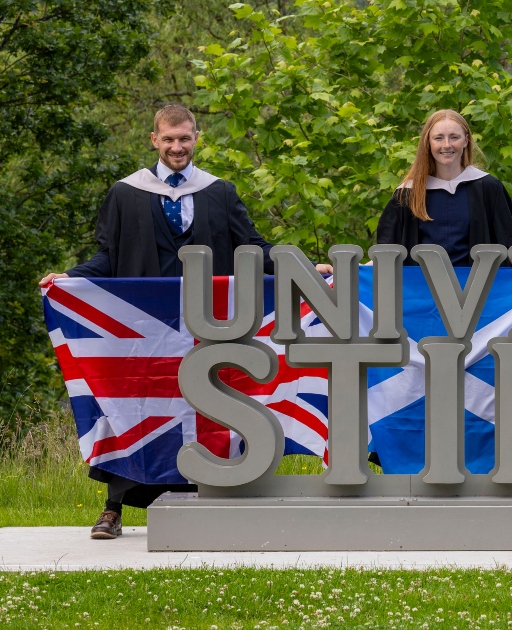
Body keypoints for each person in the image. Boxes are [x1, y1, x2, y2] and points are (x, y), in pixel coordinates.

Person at [39, 104, 332, 539]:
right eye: (169, 139)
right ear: (154, 140)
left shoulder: (220, 192)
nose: (177, 147)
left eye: (185, 138)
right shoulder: (125, 193)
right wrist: (70, 280)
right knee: (138, 407)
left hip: (208, 325)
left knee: (208, 407)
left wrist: (306, 267)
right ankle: (114, 507)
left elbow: (254, 247)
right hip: (146, 330)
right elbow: (108, 255)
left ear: (198, 138)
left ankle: (211, 498)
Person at [376, 109, 512, 263]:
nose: (447, 145)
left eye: (454, 137)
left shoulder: (488, 188)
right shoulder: (408, 193)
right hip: (421, 285)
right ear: (428, 142)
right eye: (438, 138)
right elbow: (386, 251)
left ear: (466, 140)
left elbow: (509, 245)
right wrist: (359, 271)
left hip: (476, 285)